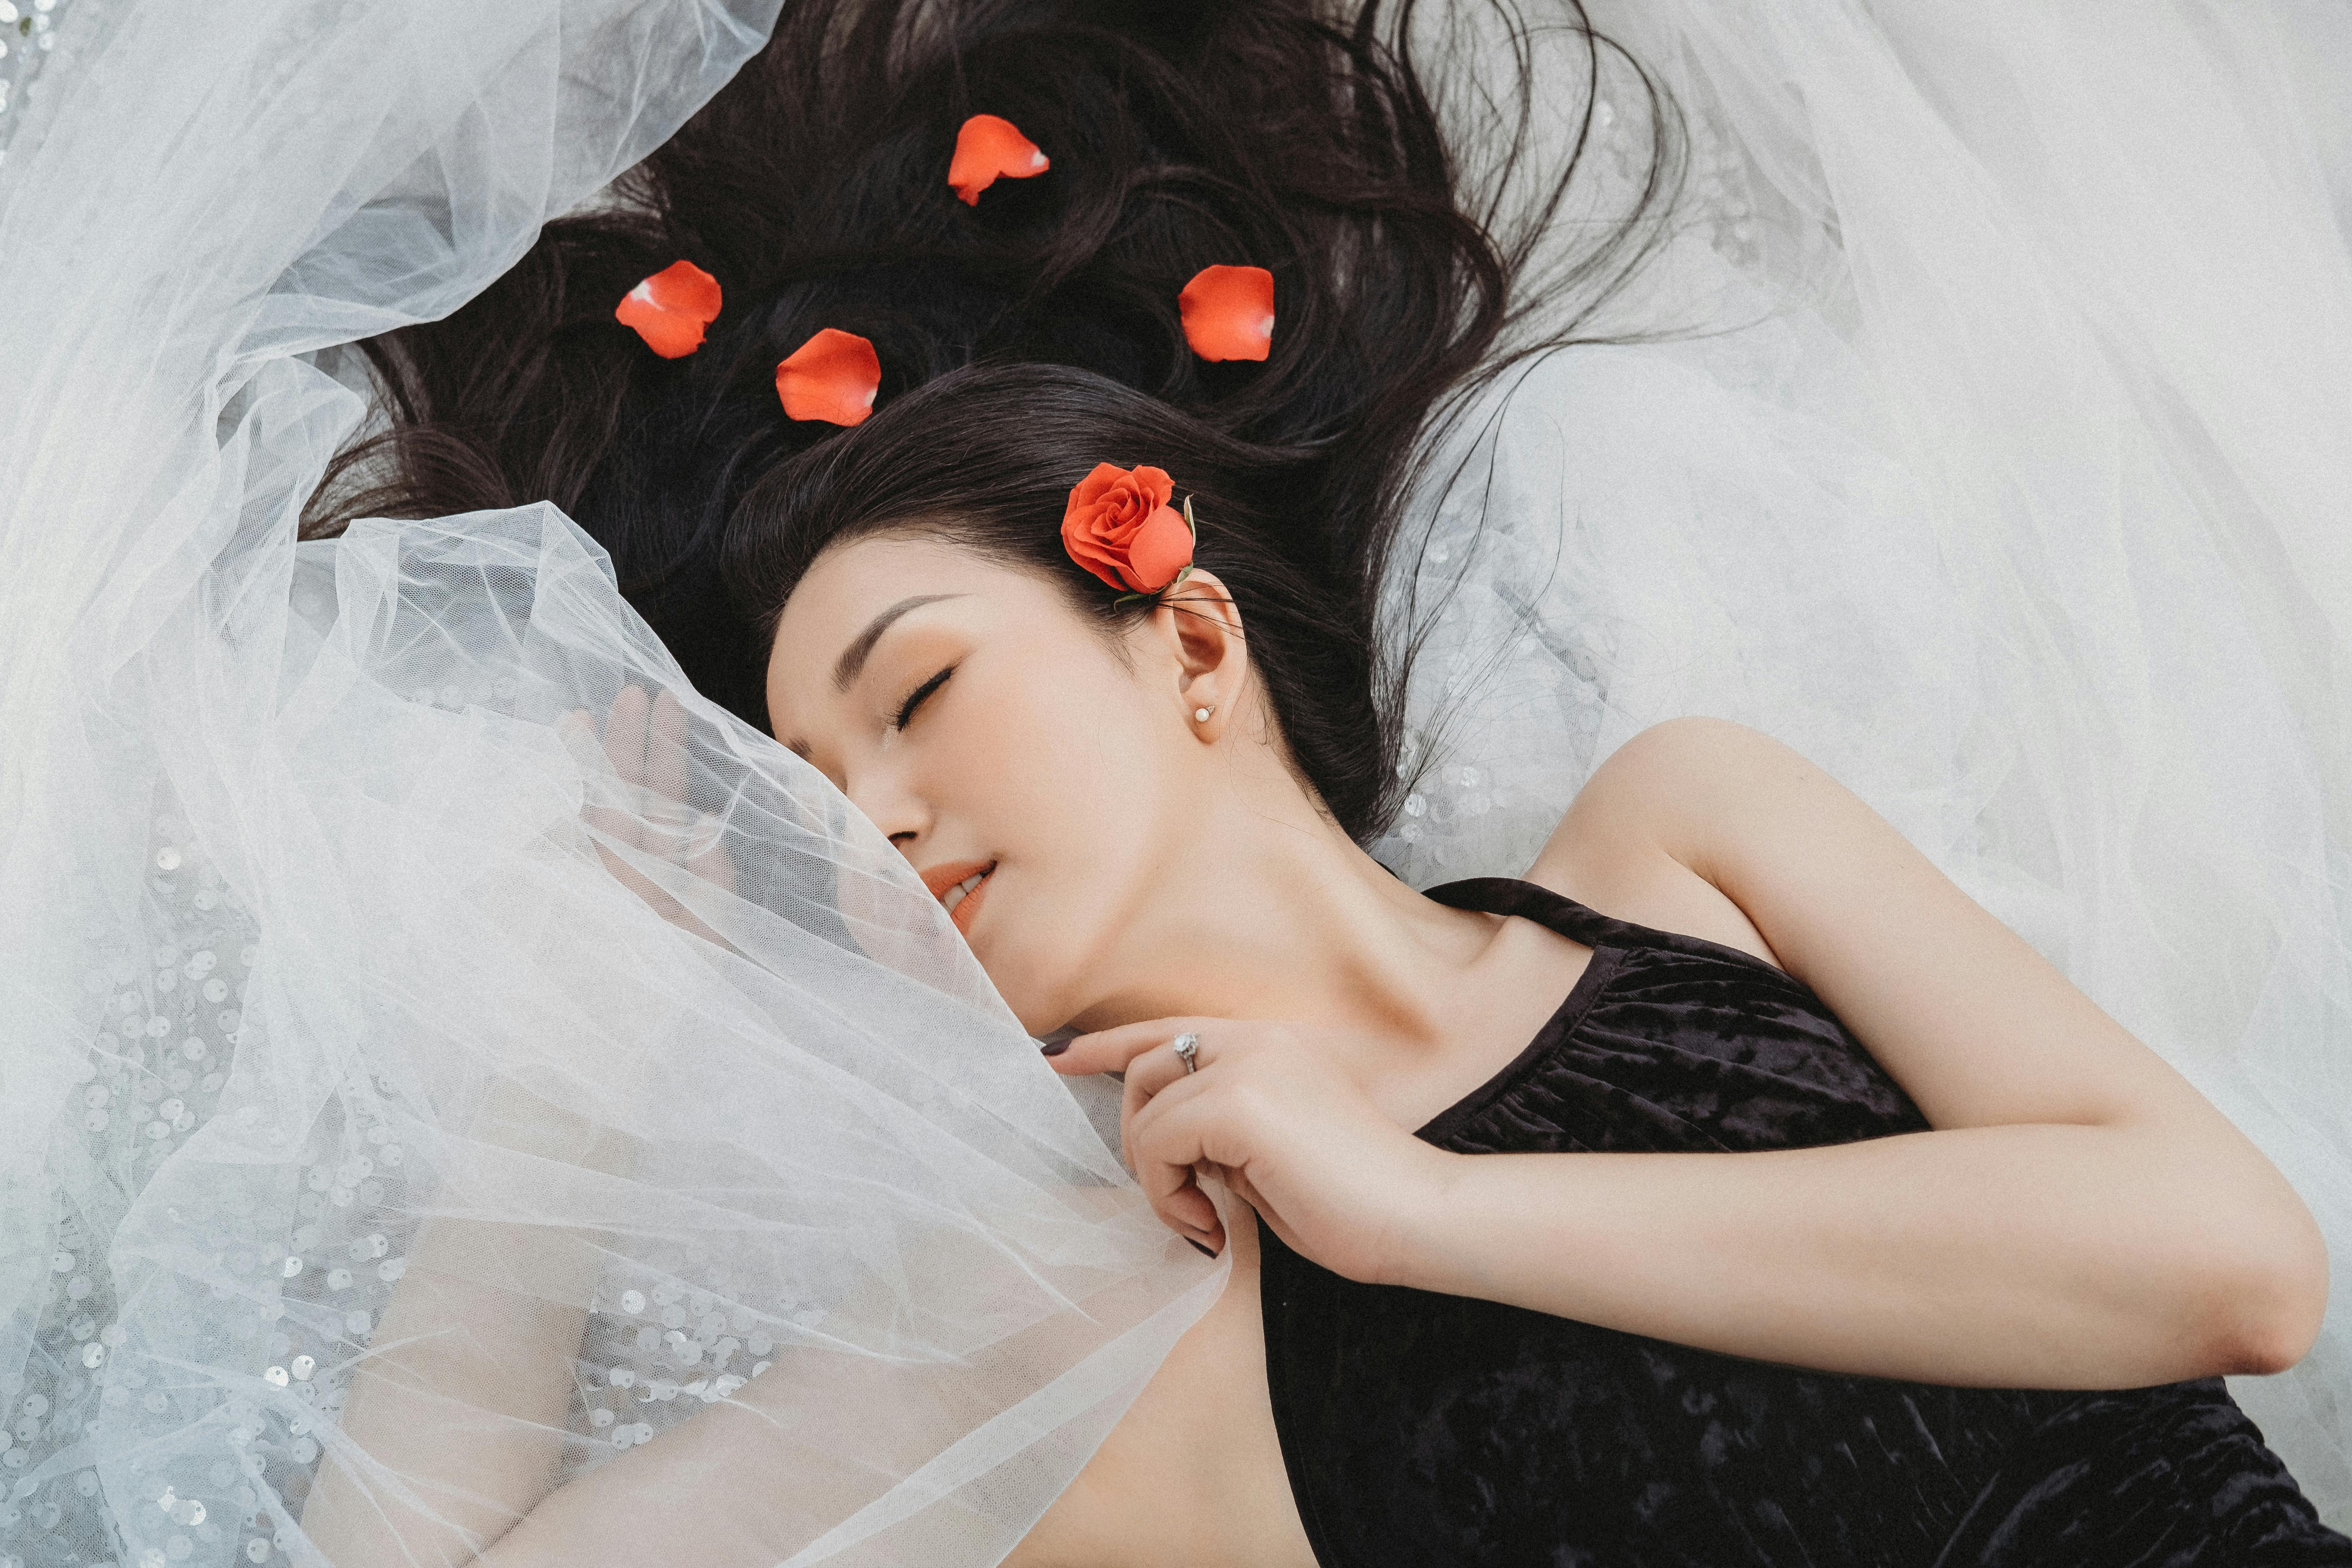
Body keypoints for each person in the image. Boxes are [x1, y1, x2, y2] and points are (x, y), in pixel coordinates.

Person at [4, 0, 2349, 1565]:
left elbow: (2228, 1268)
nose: (880, 816)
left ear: (1188, 624)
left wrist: (1421, 1212)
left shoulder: (1689, 832)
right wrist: (568, 1073)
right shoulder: (1063, 1308)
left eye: (914, 695)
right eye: (815, 794)